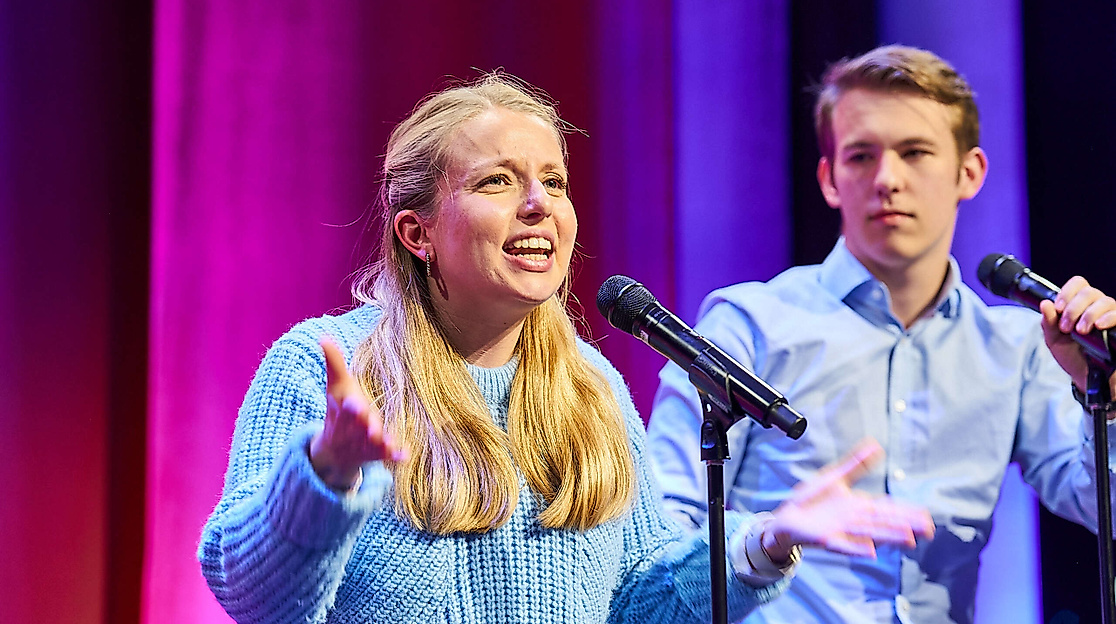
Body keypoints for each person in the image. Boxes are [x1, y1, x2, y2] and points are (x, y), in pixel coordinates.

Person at [197, 73, 934, 624]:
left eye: (554, 180)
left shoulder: (591, 386)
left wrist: (763, 541)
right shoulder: (324, 368)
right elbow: (251, 594)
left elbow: (641, 600)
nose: (539, 203)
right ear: (416, 233)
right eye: (496, 181)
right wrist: (325, 474)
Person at [646, 44, 1116, 624]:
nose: (888, 179)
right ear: (830, 179)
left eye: (915, 152)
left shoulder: (1014, 346)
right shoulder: (748, 325)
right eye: (862, 156)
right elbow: (658, 550)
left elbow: (1106, 509)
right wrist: (769, 537)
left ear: (969, 173)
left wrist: (1106, 393)